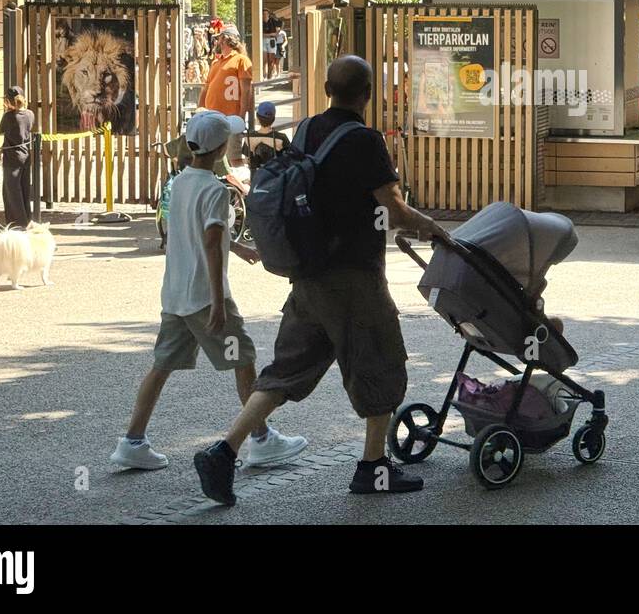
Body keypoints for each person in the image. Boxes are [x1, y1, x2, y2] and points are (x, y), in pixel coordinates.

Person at [193, 55, 448, 502]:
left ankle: (224, 452)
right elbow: (392, 210)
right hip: (354, 278)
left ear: (328, 88)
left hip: (308, 275)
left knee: (285, 370)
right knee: (382, 364)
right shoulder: (366, 141)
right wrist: (433, 228)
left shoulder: (307, 129)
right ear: (366, 94)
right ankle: (373, 467)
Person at [110, 110, 308, 471]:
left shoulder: (181, 182)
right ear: (220, 149)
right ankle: (261, 439)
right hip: (205, 296)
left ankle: (132, 441)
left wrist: (238, 247)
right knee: (244, 358)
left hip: (175, 295)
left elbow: (197, 230)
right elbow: (212, 237)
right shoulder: (217, 190)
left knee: (161, 367)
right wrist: (219, 302)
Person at [0, 86, 35, 229]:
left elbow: (0, 131)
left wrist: (8, 111)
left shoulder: (8, 116)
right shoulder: (30, 114)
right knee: (24, 188)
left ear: (8, 101)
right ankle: (27, 218)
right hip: (25, 154)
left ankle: (17, 222)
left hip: (12, 156)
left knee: (12, 191)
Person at [201, 28, 253, 122]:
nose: (217, 42)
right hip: (210, 116)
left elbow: (246, 91)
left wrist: (241, 117)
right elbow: (206, 88)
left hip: (231, 117)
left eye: (219, 39)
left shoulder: (241, 60)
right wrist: (200, 111)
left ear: (225, 39)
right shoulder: (215, 62)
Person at [243, 100, 290, 172]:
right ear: (273, 118)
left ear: (257, 118)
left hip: (256, 178)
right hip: (276, 177)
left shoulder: (249, 137)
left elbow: (247, 161)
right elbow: (288, 160)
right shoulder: (281, 138)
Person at [262, 10, 283, 79]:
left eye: (266, 14)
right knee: (264, 59)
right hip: (263, 40)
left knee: (271, 60)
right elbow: (260, 34)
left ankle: (269, 76)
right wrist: (271, 34)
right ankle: (264, 75)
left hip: (272, 41)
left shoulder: (272, 21)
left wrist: (276, 33)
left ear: (268, 14)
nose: (264, 15)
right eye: (263, 14)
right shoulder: (260, 21)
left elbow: (281, 24)